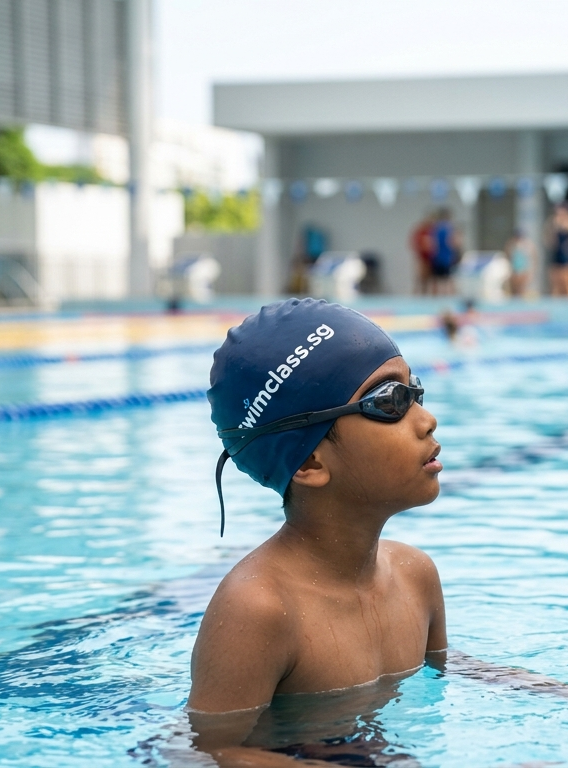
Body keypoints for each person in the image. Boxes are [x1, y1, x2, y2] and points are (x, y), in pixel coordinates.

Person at [190, 299, 446, 764]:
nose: (426, 420)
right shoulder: (259, 611)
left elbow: (444, 675)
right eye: (390, 402)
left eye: (416, 392)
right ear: (309, 460)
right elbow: (207, 753)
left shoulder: (416, 576)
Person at [428, 208, 460, 296]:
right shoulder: (449, 228)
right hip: (446, 257)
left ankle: (436, 297)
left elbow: (432, 244)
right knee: (448, 279)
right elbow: (453, 242)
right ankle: (449, 296)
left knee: (436, 280)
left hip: (437, 257)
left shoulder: (435, 228)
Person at [505, 228, 539, 298]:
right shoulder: (511, 245)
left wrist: (532, 272)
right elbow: (508, 258)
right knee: (514, 292)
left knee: (522, 291)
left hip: (524, 271)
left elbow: (534, 259)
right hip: (514, 271)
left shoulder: (529, 245)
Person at [410, 211, 436, 295]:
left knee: (432, 279)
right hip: (422, 258)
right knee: (421, 279)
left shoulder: (433, 232)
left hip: (431, 259)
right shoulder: (421, 232)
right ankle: (418, 295)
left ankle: (430, 295)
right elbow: (415, 244)